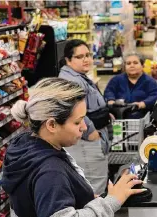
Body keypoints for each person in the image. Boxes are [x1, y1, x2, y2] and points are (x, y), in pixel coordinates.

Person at [1, 78, 146, 217]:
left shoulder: (26, 143)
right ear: (52, 125)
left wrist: (85, 198)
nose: (84, 127)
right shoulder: (51, 172)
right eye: (77, 122)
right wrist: (111, 202)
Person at [58, 39, 111, 194]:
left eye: (88, 55)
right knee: (94, 187)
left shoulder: (78, 75)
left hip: (92, 137)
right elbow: (74, 111)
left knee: (96, 184)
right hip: (86, 142)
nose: (86, 59)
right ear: (68, 60)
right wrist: (91, 133)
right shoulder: (70, 80)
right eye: (80, 57)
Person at [104, 51, 157, 119]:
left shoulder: (150, 82)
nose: (132, 65)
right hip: (119, 119)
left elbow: (155, 95)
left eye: (135, 63)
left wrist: (143, 104)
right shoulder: (116, 80)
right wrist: (111, 100)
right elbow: (109, 91)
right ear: (125, 67)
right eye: (128, 63)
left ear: (142, 65)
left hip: (141, 120)